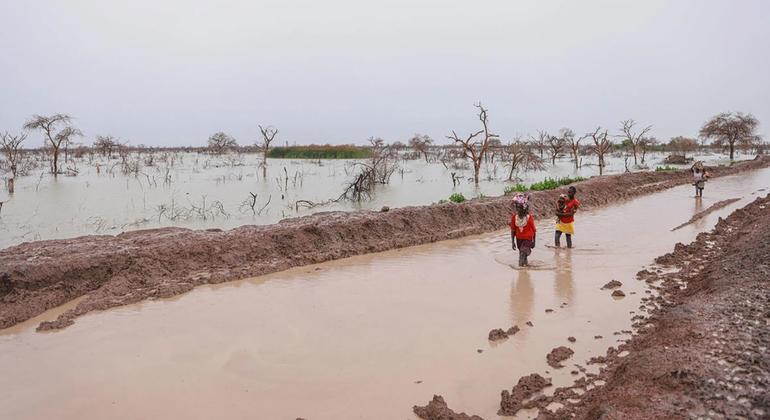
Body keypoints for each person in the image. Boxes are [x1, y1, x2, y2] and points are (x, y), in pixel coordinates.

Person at [510, 193, 537, 267]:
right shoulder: (514, 218)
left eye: (519, 207)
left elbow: (534, 230)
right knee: (522, 254)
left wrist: (534, 241)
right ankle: (525, 268)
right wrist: (512, 242)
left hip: (527, 239)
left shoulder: (529, 218)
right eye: (517, 207)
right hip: (519, 239)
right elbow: (513, 230)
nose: (517, 209)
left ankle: (520, 270)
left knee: (522, 253)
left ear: (523, 208)